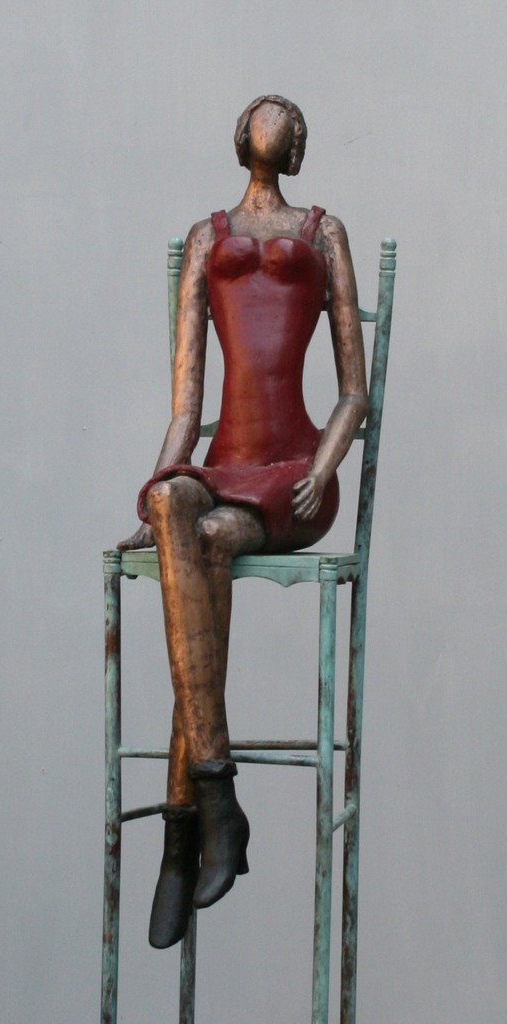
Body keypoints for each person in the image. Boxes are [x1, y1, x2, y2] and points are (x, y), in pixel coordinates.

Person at [118, 95, 368, 948]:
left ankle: (180, 837)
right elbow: (185, 406)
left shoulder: (325, 233)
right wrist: (157, 486)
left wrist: (325, 467)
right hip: (223, 463)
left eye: (287, 117)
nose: (274, 118)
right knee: (173, 509)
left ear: (295, 146)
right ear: (244, 137)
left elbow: (354, 391)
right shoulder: (205, 237)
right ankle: (220, 797)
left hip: (293, 472)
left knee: (209, 540)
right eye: (265, 112)